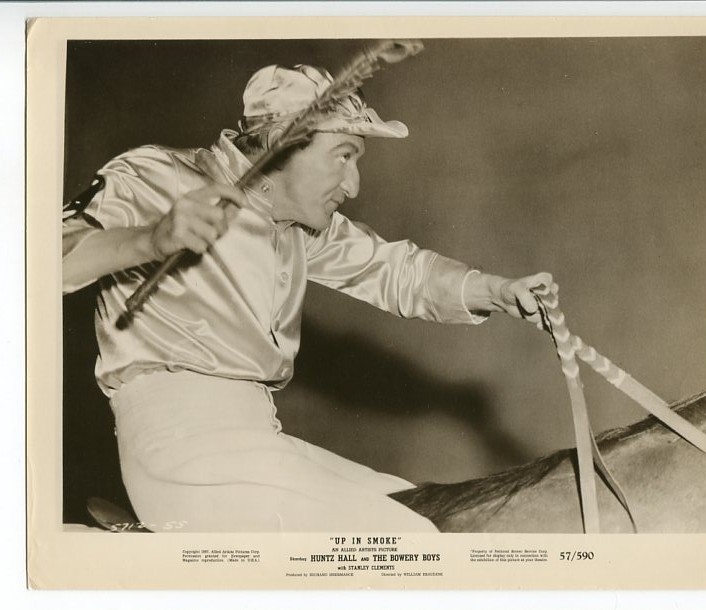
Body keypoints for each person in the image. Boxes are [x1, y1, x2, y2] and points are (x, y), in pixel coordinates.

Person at [62, 63, 555, 532]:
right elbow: (42, 259)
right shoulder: (157, 174)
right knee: (400, 537)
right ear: (283, 144)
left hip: (255, 439)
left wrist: (495, 291)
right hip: (178, 446)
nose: (353, 185)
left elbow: (395, 270)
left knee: (422, 514)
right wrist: (152, 240)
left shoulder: (297, 224)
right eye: (343, 156)